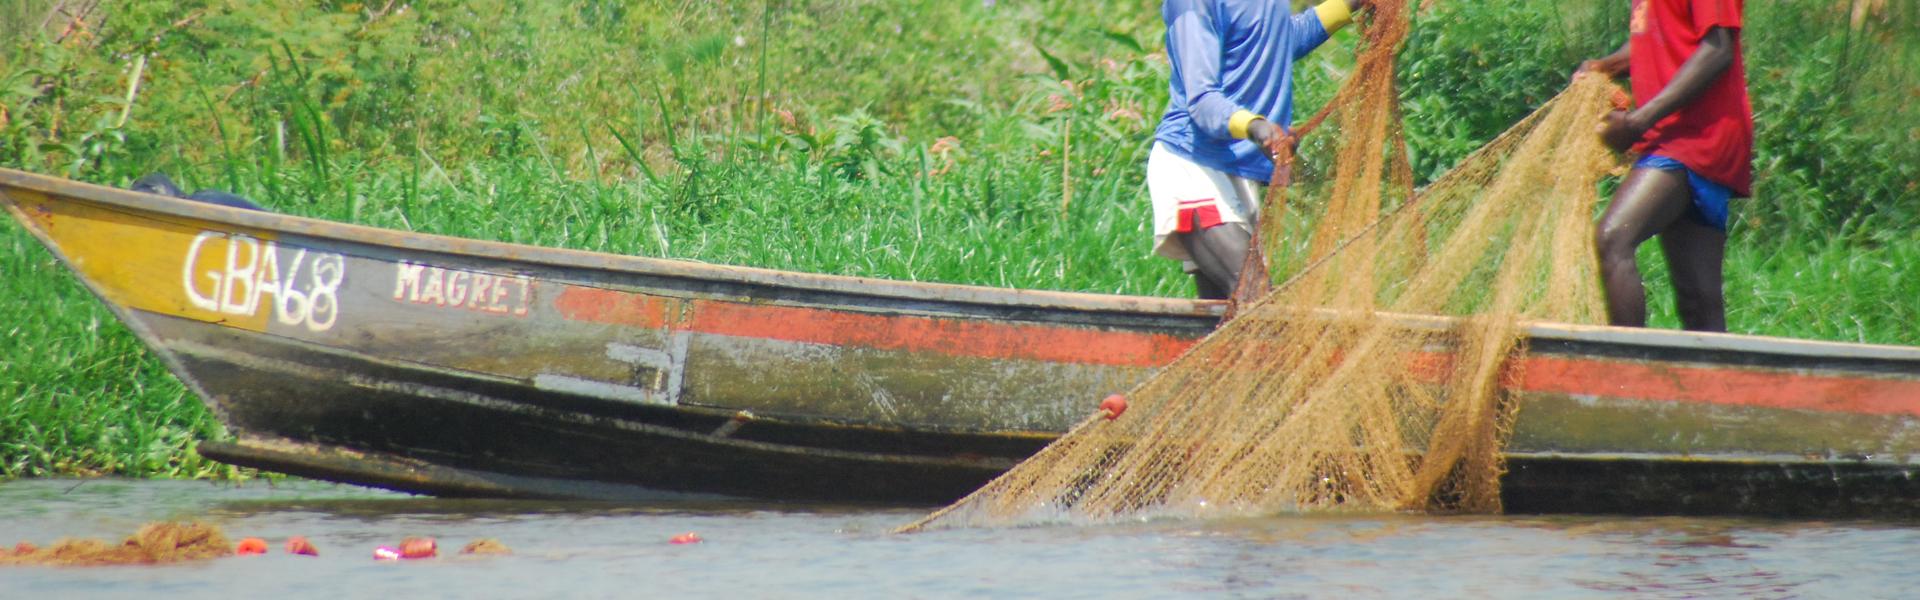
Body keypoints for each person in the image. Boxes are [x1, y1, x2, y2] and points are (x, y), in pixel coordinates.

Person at [1148, 0, 1369, 299]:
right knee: (1257, 299)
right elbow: (1201, 98)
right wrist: (1256, 127)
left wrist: (1349, 4)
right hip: (1192, 169)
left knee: (1226, 315)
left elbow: (1277, 41)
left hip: (1239, 173)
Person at [1580, 0, 1752, 331]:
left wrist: (1637, 122)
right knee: (1698, 297)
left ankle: (1626, 363)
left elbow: (1718, 50)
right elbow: (1650, 38)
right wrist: (1605, 67)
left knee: (1613, 239)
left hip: (1698, 134)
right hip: (1671, 132)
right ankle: (1713, 367)